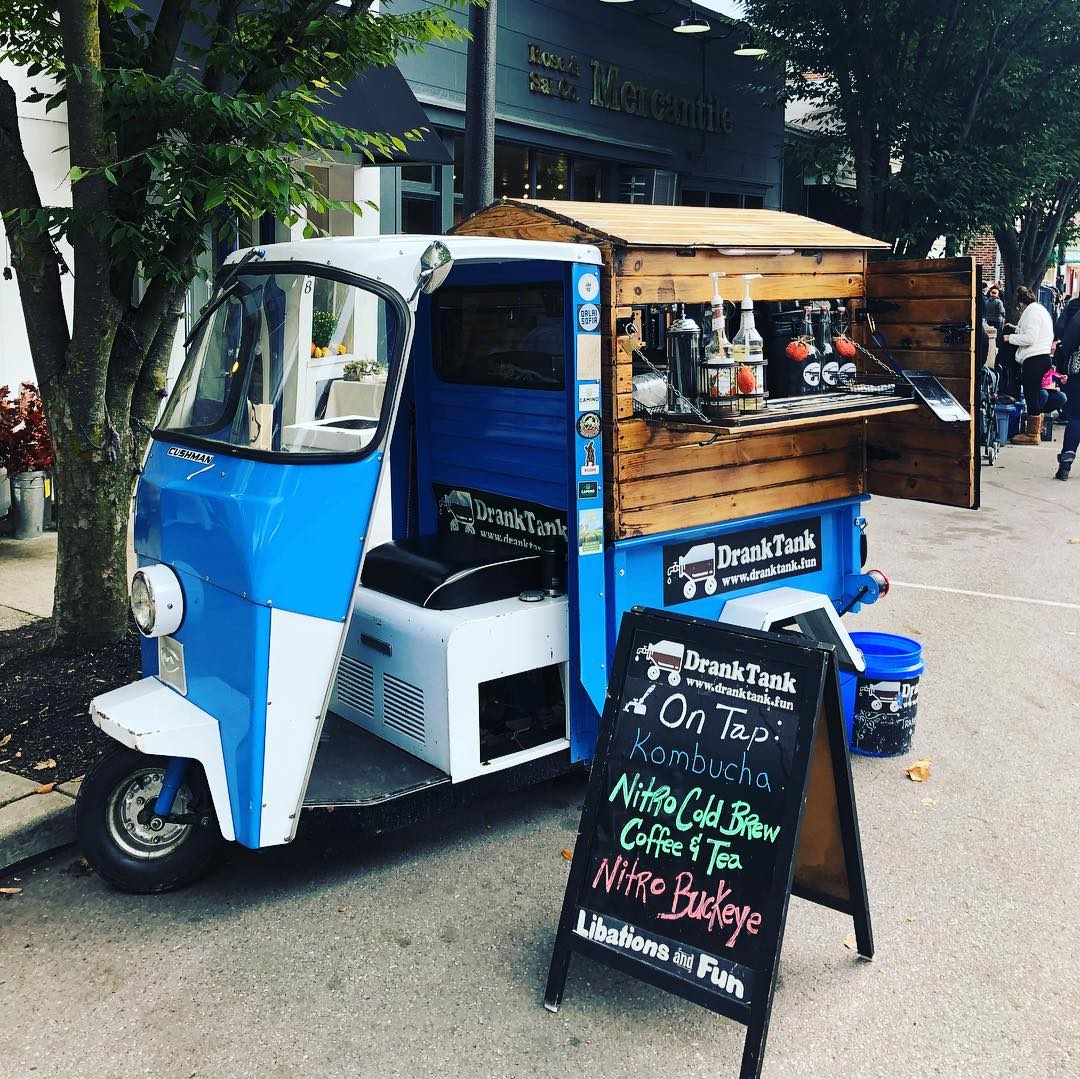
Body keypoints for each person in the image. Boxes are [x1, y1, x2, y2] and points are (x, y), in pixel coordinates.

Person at [1003, 285, 1055, 444]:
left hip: (1035, 358)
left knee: (1032, 395)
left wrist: (1009, 338)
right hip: (1041, 357)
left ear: (1021, 303)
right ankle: (1034, 433)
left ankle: (1032, 435)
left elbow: (1030, 338)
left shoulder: (1031, 313)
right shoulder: (1039, 310)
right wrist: (1016, 329)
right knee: (1035, 394)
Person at [1051, 301, 1080, 480]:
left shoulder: (1075, 308)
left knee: (1076, 417)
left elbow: (1064, 336)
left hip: (1078, 371)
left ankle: (1066, 459)